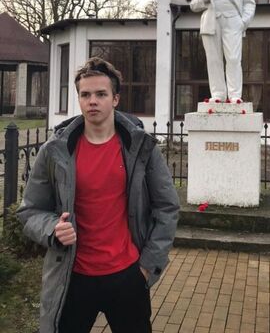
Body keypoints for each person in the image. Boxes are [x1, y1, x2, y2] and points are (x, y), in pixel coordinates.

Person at [17, 57, 180, 333]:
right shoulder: (55, 150)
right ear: (79, 99)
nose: (92, 101)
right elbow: (30, 210)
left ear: (115, 99)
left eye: (101, 94)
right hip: (72, 277)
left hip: (128, 275)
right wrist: (52, 229)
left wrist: (147, 267)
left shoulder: (141, 148)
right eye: (85, 95)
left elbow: (167, 207)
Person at [190, 0, 256, 103]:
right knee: (214, 60)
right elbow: (193, 5)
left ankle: (235, 95)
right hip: (211, 22)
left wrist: (243, 22)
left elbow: (249, 2)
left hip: (233, 21)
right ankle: (218, 94)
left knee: (233, 59)